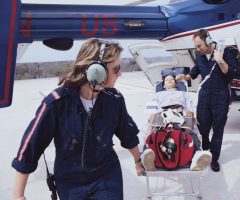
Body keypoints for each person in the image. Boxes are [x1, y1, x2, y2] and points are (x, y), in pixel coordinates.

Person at [11, 38, 144, 200]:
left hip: (106, 174)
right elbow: (31, 145)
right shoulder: (56, 102)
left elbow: (126, 132)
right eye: (116, 69)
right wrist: (18, 196)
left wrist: (138, 160)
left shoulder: (114, 99)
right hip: (70, 181)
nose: (120, 73)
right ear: (97, 71)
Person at [176, 29, 237, 172]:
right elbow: (197, 69)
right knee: (203, 126)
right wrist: (186, 77)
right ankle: (205, 144)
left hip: (220, 97)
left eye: (199, 46)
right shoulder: (199, 55)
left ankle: (214, 158)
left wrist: (221, 61)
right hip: (204, 96)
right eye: (196, 46)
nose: (197, 49)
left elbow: (231, 74)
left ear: (209, 41)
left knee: (217, 130)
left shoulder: (225, 51)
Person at [142, 75, 212, 172]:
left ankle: (197, 155)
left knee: (190, 130)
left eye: (172, 79)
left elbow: (188, 104)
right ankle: (147, 155)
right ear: (164, 85)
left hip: (180, 113)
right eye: (167, 80)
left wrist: (190, 112)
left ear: (176, 83)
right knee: (153, 130)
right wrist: (151, 115)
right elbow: (152, 106)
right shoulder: (158, 94)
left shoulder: (183, 93)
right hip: (162, 113)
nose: (169, 80)